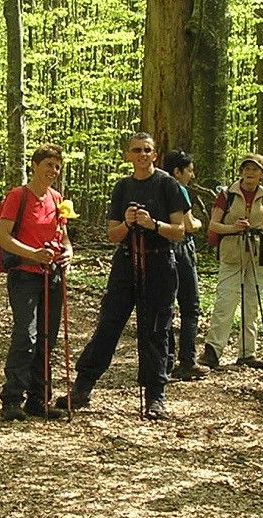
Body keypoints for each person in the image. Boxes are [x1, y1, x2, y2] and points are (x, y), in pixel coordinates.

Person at [56, 132, 186, 420]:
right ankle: (82, 388)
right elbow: (113, 235)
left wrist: (153, 225)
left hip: (160, 262)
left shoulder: (168, 185)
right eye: (136, 150)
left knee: (155, 329)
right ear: (128, 155)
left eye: (147, 150)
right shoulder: (122, 188)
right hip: (126, 262)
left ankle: (156, 396)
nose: (141, 155)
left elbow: (180, 231)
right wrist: (128, 224)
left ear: (155, 154)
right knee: (109, 324)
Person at [198, 153, 263, 370]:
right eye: (247, 168)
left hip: (257, 254)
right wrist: (233, 228)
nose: (250, 173)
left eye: (255, 169)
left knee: (252, 304)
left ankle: (247, 353)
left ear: (262, 173)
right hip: (232, 253)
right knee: (226, 301)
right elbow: (213, 226)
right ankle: (212, 351)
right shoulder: (227, 195)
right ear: (241, 171)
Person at [0, 144, 73, 421]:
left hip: (51, 275)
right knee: (25, 335)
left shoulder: (57, 198)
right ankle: (12, 398)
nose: (53, 171)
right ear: (34, 165)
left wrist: (68, 253)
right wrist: (33, 254)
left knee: (47, 338)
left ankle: (39, 399)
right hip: (24, 274)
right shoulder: (19, 196)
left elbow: (64, 237)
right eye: (48, 165)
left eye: (57, 166)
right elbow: (2, 237)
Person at [162, 149, 208, 381]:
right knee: (190, 306)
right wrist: (200, 223)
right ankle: (187, 361)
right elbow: (189, 225)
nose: (192, 175)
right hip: (181, 249)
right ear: (177, 171)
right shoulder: (179, 190)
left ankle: (166, 359)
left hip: (161, 251)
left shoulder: (155, 186)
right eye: (189, 170)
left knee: (166, 305)